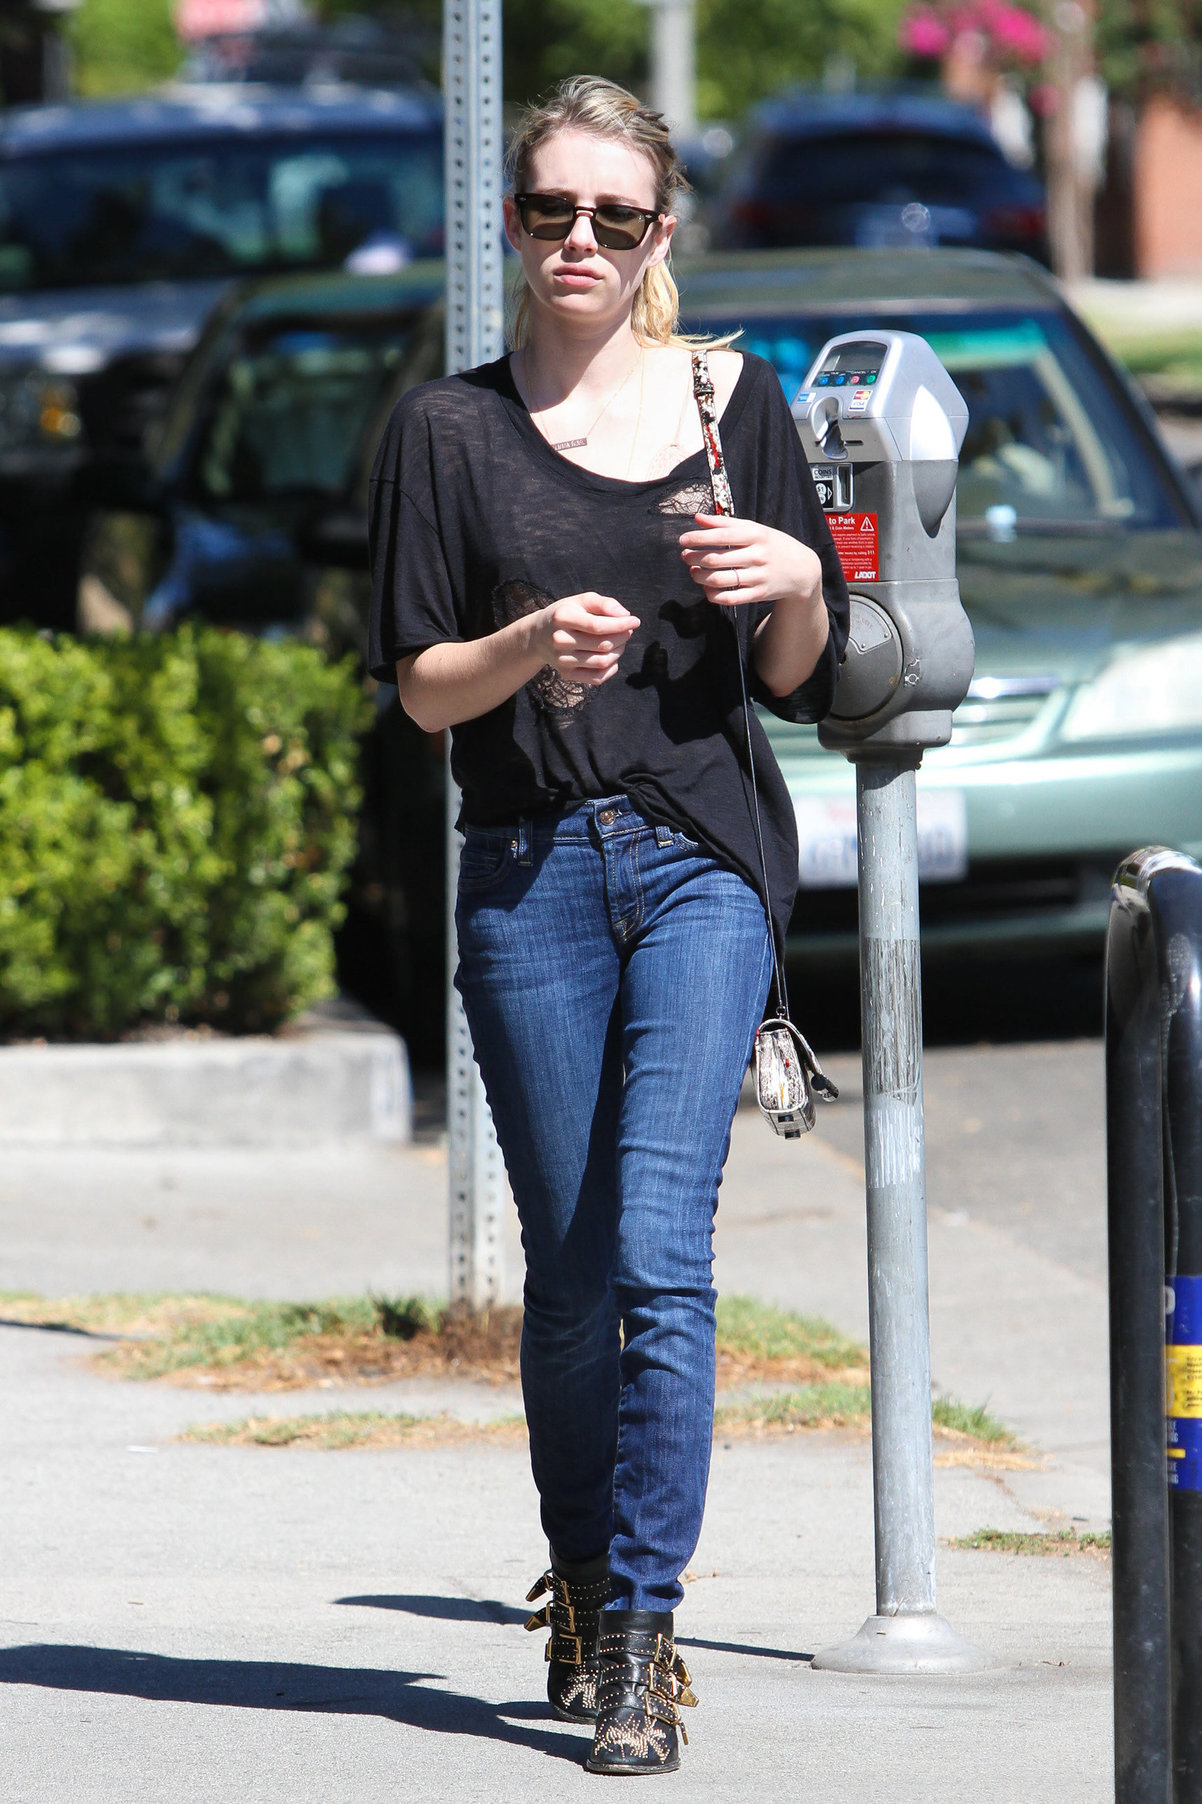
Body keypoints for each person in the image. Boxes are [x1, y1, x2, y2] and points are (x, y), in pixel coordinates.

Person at [368, 74, 849, 1777]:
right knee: (568, 1285)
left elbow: (787, 682)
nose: (579, 242)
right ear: (510, 223)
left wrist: (792, 582)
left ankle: (643, 1639)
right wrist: (525, 651)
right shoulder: (447, 430)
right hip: (524, 877)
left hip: (699, 861)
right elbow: (422, 691)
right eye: (549, 212)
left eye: (615, 219)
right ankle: (577, 1579)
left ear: (661, 237)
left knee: (659, 1247)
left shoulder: (740, 408)